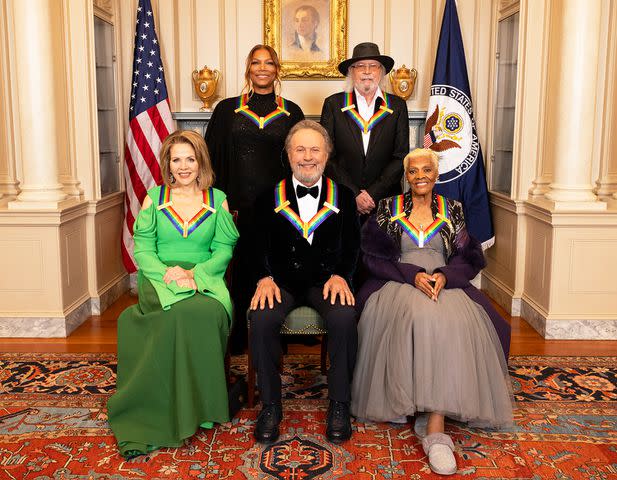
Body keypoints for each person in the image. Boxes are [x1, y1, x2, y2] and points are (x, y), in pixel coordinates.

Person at [350, 148, 513, 475]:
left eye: (427, 170)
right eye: (414, 171)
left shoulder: (453, 209)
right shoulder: (387, 208)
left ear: (436, 175)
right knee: (415, 316)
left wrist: (443, 276)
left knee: (450, 320)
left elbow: (470, 258)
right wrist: (412, 274)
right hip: (397, 281)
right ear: (406, 176)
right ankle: (407, 399)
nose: (420, 176)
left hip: (443, 283)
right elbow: (371, 258)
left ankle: (436, 428)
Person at [107, 130, 239, 459]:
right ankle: (161, 406)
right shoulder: (155, 197)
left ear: (201, 162)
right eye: (176, 159)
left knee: (204, 313)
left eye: (190, 159)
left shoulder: (218, 199)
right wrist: (166, 273)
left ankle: (198, 406)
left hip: (205, 278)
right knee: (176, 314)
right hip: (160, 278)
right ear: (167, 163)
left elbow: (223, 249)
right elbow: (144, 248)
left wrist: (196, 275)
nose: (183, 166)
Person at [249, 120, 360, 445]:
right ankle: (271, 405)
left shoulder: (345, 197)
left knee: (344, 316)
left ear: (327, 155)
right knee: (262, 317)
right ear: (288, 154)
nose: (307, 157)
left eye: (315, 149)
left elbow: (353, 246)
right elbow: (254, 245)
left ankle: (339, 402)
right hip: (280, 281)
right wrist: (263, 277)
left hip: (326, 280)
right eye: (300, 149)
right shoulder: (267, 197)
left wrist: (342, 274)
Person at [205, 45, 304, 354]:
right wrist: (218, 201)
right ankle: (235, 339)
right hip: (235, 210)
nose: (263, 68)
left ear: (278, 69)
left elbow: (302, 164)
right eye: (256, 63)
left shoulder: (292, 112)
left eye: (269, 63)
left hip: (279, 212)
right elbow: (210, 161)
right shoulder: (226, 110)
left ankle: (274, 338)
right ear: (248, 69)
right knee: (237, 274)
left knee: (276, 271)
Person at [321, 42, 409, 217]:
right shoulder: (333, 104)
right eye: (360, 66)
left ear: (381, 72)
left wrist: (372, 194)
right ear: (351, 72)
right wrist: (354, 194)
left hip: (385, 201)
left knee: (383, 245)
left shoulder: (397, 106)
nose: (367, 71)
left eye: (373, 66)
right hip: (343, 199)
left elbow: (400, 157)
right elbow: (327, 156)